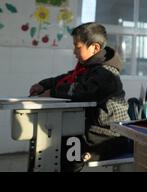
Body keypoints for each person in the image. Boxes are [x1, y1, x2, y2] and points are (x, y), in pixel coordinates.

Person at [29, 22, 131, 171]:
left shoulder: (106, 73)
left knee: (66, 144)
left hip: (110, 135)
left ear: (95, 48)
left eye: (77, 46)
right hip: (94, 129)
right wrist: (44, 84)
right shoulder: (88, 68)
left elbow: (83, 91)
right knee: (53, 140)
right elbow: (67, 78)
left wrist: (52, 92)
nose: (74, 51)